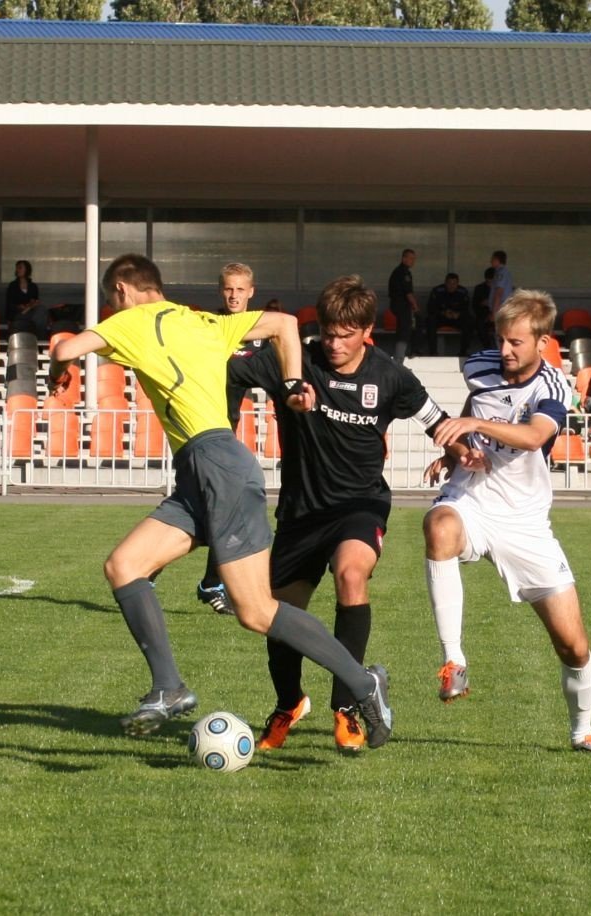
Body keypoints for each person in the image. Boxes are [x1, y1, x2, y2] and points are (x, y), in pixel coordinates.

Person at [48, 253, 393, 748]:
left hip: (217, 467)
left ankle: (363, 683)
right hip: (202, 472)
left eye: (110, 300)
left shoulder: (130, 320)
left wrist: (59, 371)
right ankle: (169, 688)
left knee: (255, 610)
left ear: (122, 290)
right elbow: (284, 324)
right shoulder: (204, 320)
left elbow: (68, 346)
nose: (111, 308)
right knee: (124, 565)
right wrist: (294, 381)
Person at [229, 275, 450, 753]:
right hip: (300, 511)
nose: (333, 342)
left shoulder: (390, 376)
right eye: (327, 332)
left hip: (360, 504)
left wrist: (456, 450)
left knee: (352, 575)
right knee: (279, 615)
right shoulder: (294, 359)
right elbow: (228, 372)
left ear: (367, 330)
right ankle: (289, 703)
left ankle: (347, 706)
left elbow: (439, 422)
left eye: (345, 333)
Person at [423, 289, 591, 758]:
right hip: (472, 498)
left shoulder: (553, 388)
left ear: (542, 341)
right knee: (439, 528)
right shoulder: (480, 365)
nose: (505, 351)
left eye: (516, 343)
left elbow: (531, 437)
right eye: (501, 340)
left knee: (573, 646)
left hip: (525, 522)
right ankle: (454, 659)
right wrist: (455, 454)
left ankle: (582, 731)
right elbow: (476, 411)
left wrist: (474, 428)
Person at [195, 261, 263, 616]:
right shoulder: (207, 327)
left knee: (222, 509)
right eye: (228, 289)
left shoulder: (260, 332)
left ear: (251, 291)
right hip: (200, 431)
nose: (234, 295)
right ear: (220, 291)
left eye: (240, 289)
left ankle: (209, 582)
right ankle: (146, 570)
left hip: (226, 433)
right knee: (210, 509)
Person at [425, 272, 473, 356]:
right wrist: (443, 313)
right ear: (445, 283)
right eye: (449, 283)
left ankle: (463, 352)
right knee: (430, 320)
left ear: (458, 284)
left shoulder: (462, 291)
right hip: (441, 318)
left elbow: (466, 309)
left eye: (454, 283)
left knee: (469, 321)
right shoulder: (437, 291)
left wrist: (458, 314)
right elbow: (430, 308)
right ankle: (433, 352)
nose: (451, 286)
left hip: (456, 319)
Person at [387, 248, 419, 365]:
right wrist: (415, 305)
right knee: (403, 333)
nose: (412, 261)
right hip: (401, 305)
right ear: (403, 258)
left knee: (406, 330)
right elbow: (408, 292)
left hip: (399, 305)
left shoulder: (401, 271)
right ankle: (398, 360)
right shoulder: (403, 272)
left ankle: (407, 354)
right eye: (410, 258)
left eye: (414, 259)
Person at [6, 260, 47, 338]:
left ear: (27, 270)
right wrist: (19, 307)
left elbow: (35, 300)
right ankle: (39, 337)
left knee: (41, 310)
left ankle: (39, 339)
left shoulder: (33, 286)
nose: (18, 270)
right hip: (19, 313)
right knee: (38, 316)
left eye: (20, 268)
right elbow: (9, 304)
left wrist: (33, 304)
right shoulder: (12, 286)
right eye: (17, 268)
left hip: (31, 312)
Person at [471, 266, 496, 349]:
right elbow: (474, 306)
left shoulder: (501, 289)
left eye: (492, 282)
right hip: (483, 315)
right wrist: (482, 304)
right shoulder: (480, 288)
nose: (490, 285)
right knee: (479, 323)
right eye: (488, 282)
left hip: (498, 315)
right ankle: (487, 347)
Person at [488, 250, 514, 319]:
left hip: (501, 309)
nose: (491, 261)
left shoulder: (501, 273)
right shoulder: (499, 272)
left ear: (497, 260)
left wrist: (494, 313)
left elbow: (499, 293)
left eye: (492, 259)